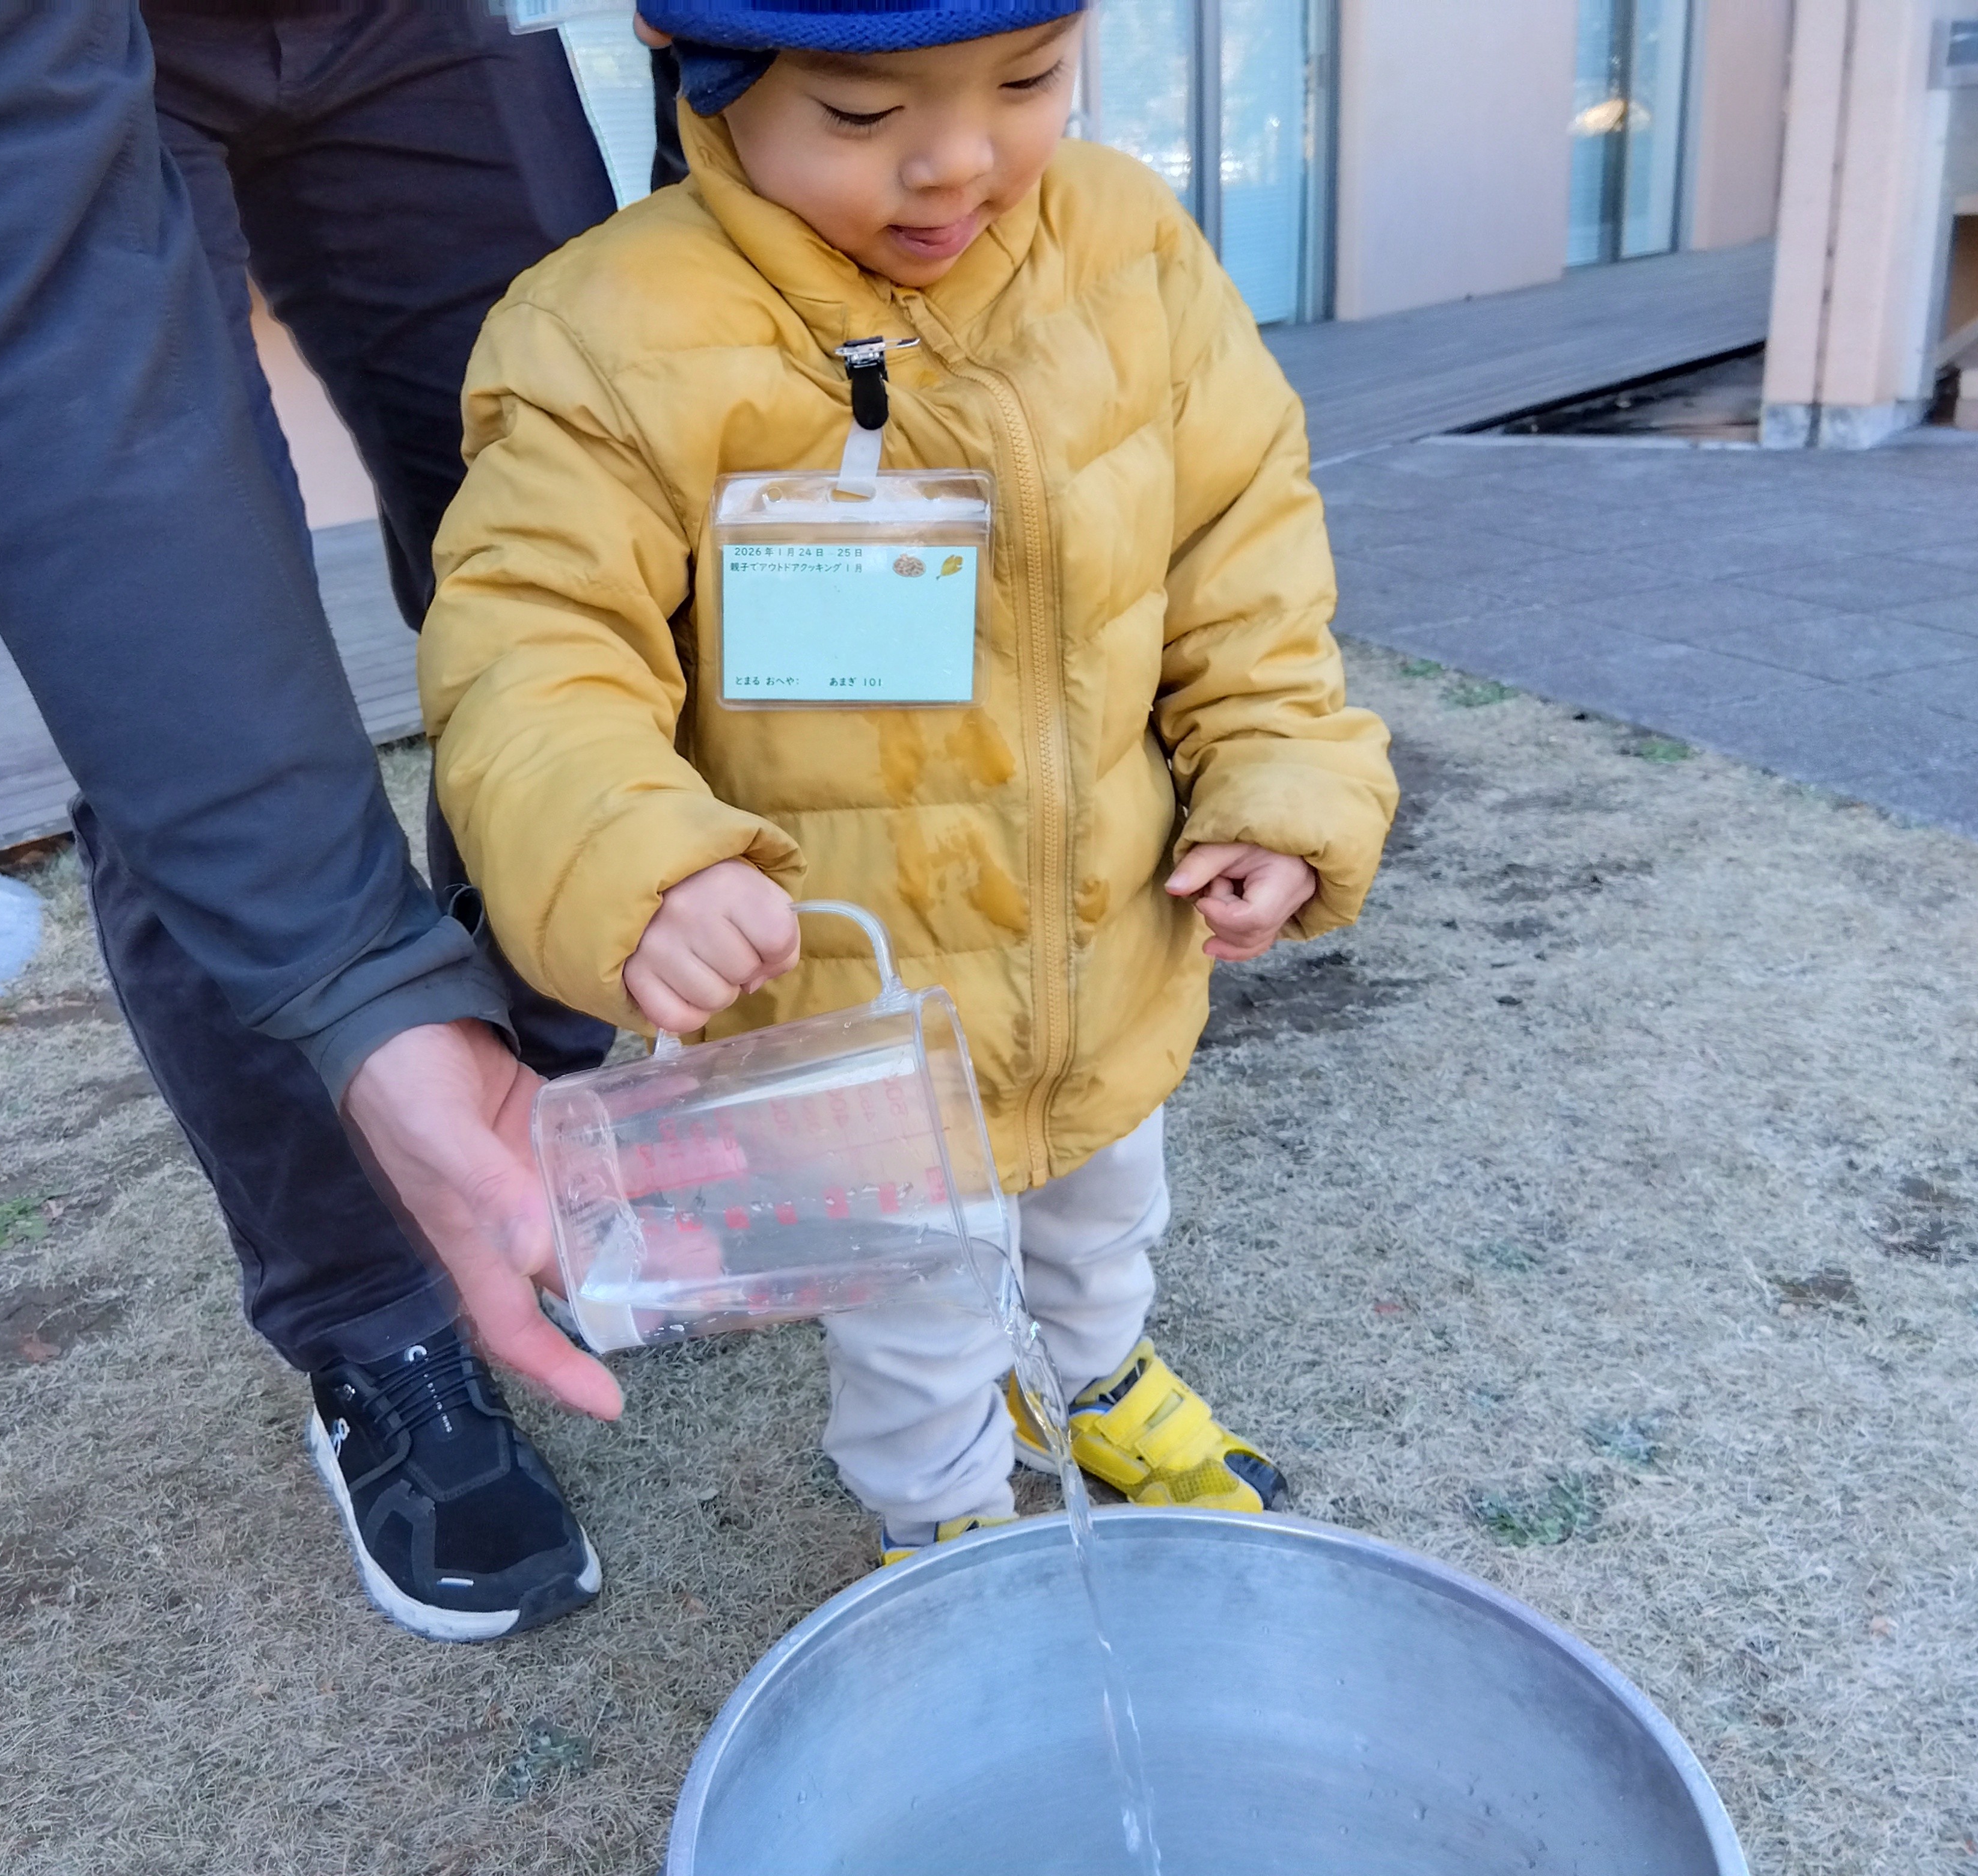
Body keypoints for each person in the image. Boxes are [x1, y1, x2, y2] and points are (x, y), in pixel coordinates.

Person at [0, 0, 675, 1642]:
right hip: (18, 48)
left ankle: (527, 1154)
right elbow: (41, 320)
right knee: (183, 691)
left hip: (414, 23)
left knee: (589, 592)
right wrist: (353, 980)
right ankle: (372, 1319)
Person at [418, 0, 1400, 1561]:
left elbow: (1244, 546)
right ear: (710, 80)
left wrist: (1276, 771)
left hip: (1106, 942)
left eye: (1029, 81)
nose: (956, 164)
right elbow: (535, 641)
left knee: (1104, 1206)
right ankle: (942, 1523)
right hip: (853, 996)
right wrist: (637, 852)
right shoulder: (608, 331)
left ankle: (1090, 1378)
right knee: (914, 1303)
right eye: (865, 117)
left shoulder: (1127, 243)